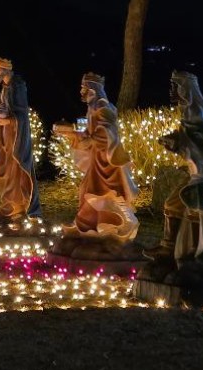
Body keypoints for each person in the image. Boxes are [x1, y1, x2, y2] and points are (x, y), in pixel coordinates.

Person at [148, 71, 203, 269]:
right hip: (195, 173)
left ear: (186, 90)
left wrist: (179, 143)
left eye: (175, 87)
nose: (171, 91)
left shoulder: (199, 115)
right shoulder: (189, 115)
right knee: (172, 203)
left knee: (198, 209)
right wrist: (175, 141)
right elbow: (191, 141)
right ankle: (169, 248)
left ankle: (200, 254)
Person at [53, 72, 139, 244]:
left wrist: (91, 140)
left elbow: (108, 131)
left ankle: (128, 221)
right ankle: (89, 225)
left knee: (112, 191)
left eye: (84, 88)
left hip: (108, 159)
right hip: (97, 159)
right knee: (89, 190)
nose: (81, 91)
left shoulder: (102, 106)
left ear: (92, 89)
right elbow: (89, 133)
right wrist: (71, 133)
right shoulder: (92, 108)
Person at [0, 58, 42, 223]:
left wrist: (8, 121)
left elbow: (21, 114)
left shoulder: (17, 86)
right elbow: (3, 109)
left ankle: (18, 206)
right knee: (3, 169)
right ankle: (9, 203)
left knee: (15, 169)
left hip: (16, 135)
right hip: (7, 134)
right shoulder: (5, 88)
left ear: (5, 71)